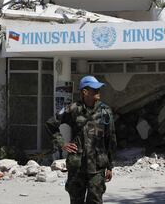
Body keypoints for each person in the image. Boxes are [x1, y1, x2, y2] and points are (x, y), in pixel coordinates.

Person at [46, 75, 117, 204]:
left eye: (98, 89)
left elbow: (110, 139)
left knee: (95, 201)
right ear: (85, 92)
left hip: (97, 167)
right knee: (76, 201)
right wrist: (62, 144)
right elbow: (51, 124)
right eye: (95, 89)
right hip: (77, 166)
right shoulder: (72, 109)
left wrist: (110, 166)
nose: (98, 92)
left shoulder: (105, 111)